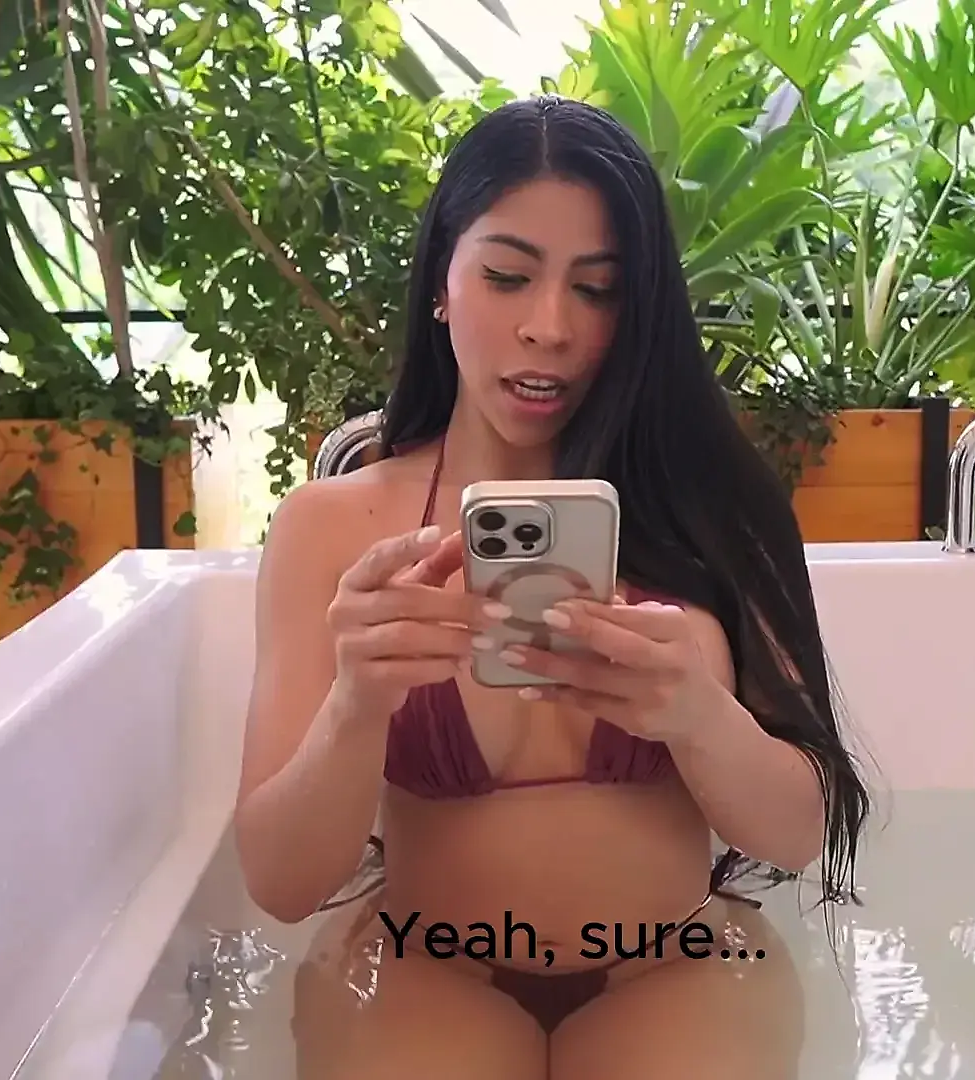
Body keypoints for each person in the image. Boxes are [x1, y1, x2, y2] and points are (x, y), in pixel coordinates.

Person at [234, 95, 871, 1080]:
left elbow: (797, 833)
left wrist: (698, 716)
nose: (550, 328)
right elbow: (280, 883)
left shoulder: (713, 506)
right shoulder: (332, 527)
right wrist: (356, 707)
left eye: (599, 289)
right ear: (440, 284)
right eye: (506, 276)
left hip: (678, 963)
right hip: (418, 965)